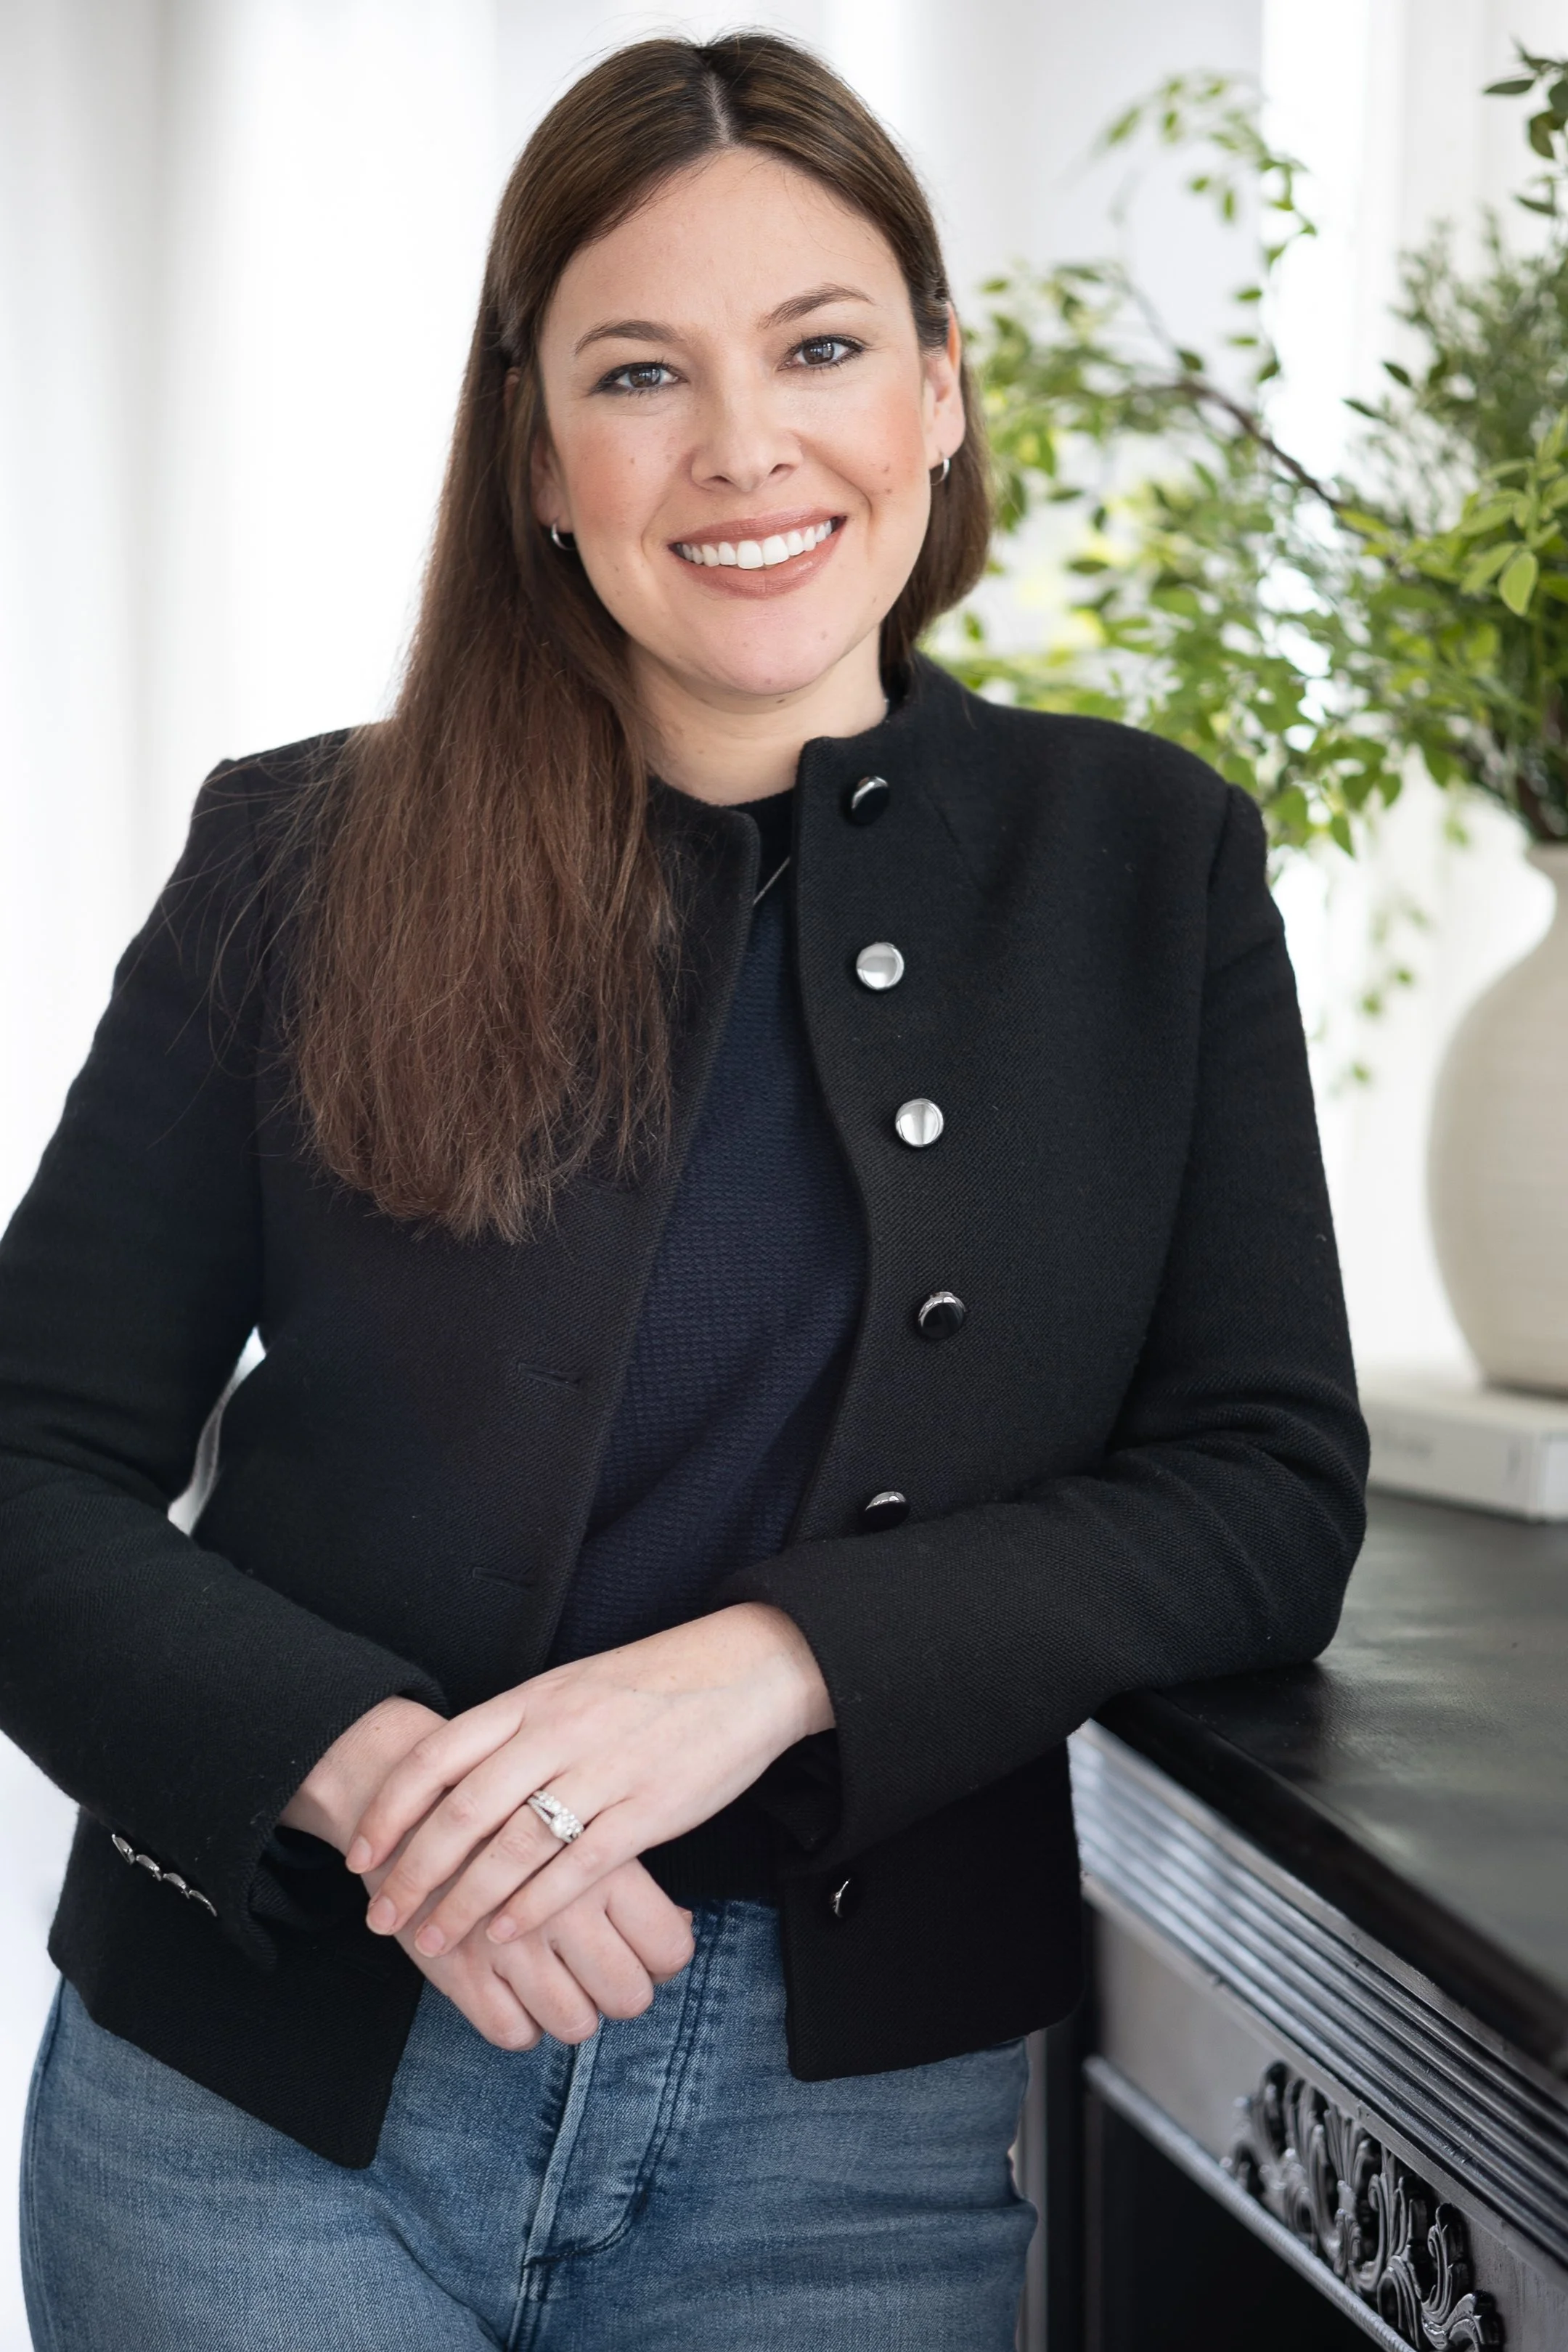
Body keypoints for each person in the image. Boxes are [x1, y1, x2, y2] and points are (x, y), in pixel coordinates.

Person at [0, 30, 1367, 2352]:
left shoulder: (1149, 862)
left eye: (822, 349)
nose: (746, 448)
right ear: (536, 455)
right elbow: (24, 1459)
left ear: (940, 390)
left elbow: (1264, 1491)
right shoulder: (301, 858)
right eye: (642, 372)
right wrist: (375, 1786)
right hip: (261, 2109)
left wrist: (774, 1671)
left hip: (847, 2150)